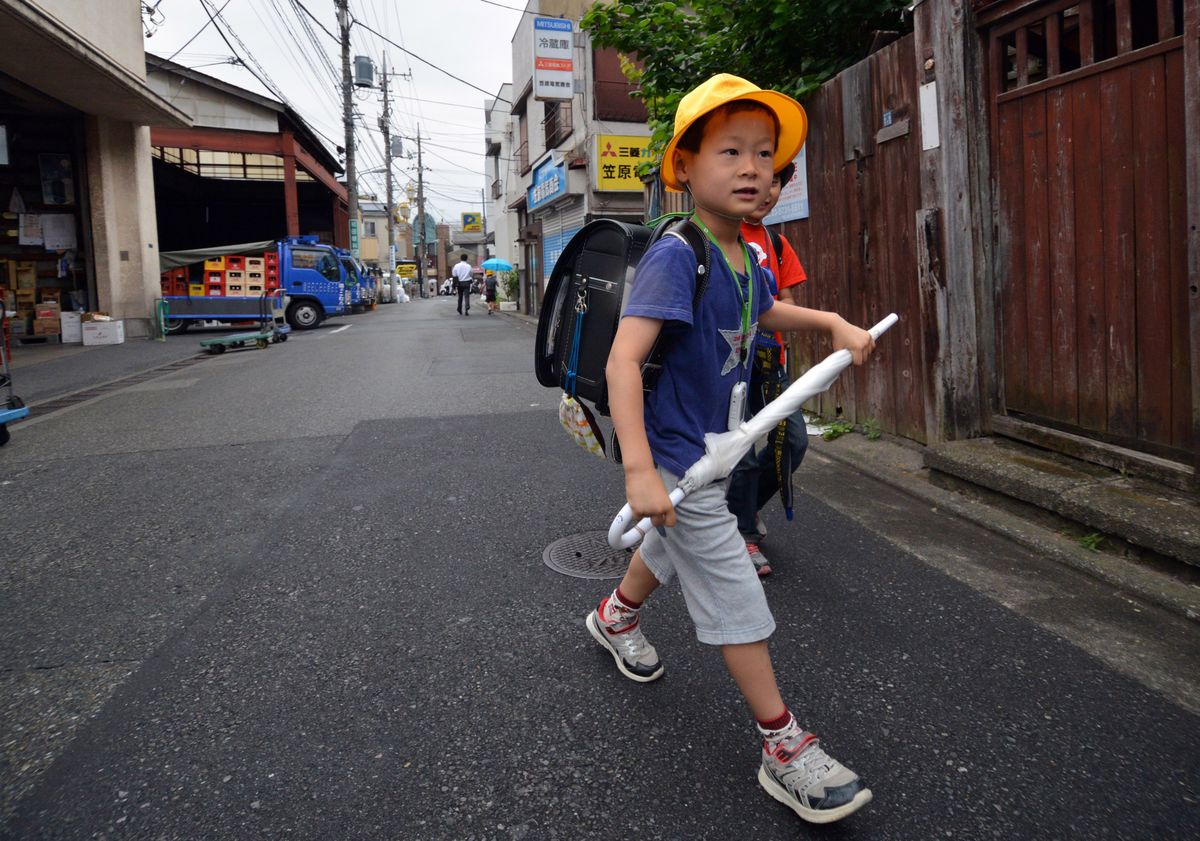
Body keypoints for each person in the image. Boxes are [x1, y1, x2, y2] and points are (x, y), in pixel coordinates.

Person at [585, 73, 876, 825]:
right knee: (738, 596)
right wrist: (640, 469)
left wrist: (833, 320)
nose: (754, 168)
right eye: (730, 152)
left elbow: (766, 309)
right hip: (683, 456)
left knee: (664, 541)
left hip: (717, 445)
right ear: (682, 166)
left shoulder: (745, 252)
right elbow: (624, 360)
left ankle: (616, 616)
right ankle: (782, 745)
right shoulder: (678, 254)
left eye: (766, 155)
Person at [726, 161, 808, 577]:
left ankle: (744, 507)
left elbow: (787, 300)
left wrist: (785, 319)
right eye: (762, 179)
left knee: (792, 441)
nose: (768, 189)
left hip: (770, 360)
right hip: (729, 364)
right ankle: (742, 532)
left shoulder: (777, 243)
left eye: (776, 181)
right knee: (739, 448)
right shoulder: (718, 235)